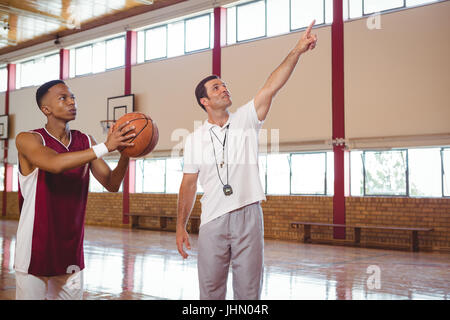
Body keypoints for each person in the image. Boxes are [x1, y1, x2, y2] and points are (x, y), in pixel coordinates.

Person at [176, 21, 318, 299]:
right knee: (211, 292)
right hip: (212, 220)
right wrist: (180, 226)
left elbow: (272, 85)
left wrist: (297, 50)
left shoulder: (245, 119)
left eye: (224, 85)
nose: (224, 89)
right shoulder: (194, 139)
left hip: (249, 216)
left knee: (249, 292)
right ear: (204, 101)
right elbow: (188, 186)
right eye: (216, 88)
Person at [14, 79, 135, 300]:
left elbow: (112, 184)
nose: (72, 102)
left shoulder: (85, 141)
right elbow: (55, 164)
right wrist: (106, 146)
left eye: (73, 97)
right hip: (35, 250)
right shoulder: (28, 139)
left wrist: (126, 154)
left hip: (70, 250)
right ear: (46, 109)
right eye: (63, 98)